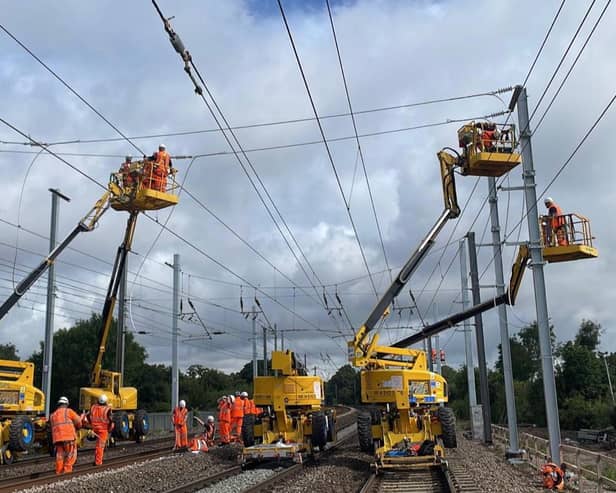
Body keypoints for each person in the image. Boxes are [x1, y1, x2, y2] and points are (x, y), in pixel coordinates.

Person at [49, 396, 82, 475]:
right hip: (69, 437)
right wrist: (78, 427)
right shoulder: (68, 411)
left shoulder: (52, 415)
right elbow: (78, 421)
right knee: (71, 455)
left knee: (60, 456)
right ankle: (67, 472)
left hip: (57, 439)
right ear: (66, 404)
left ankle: (59, 472)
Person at [86, 394, 114, 466]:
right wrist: (110, 428)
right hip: (103, 430)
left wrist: (90, 425)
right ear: (106, 401)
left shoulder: (93, 407)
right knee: (100, 446)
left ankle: (96, 460)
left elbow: (87, 416)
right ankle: (98, 463)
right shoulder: (107, 409)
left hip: (94, 428)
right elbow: (111, 420)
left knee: (98, 446)